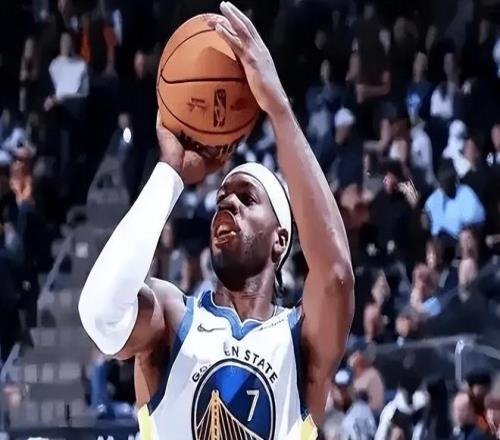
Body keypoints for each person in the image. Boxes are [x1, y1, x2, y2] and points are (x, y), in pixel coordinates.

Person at [79, 3, 354, 439]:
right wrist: (170, 174)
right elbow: (100, 315)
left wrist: (279, 109)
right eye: (222, 198)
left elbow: (336, 275)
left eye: (247, 198)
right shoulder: (173, 318)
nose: (228, 204)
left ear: (280, 239)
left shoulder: (300, 341)